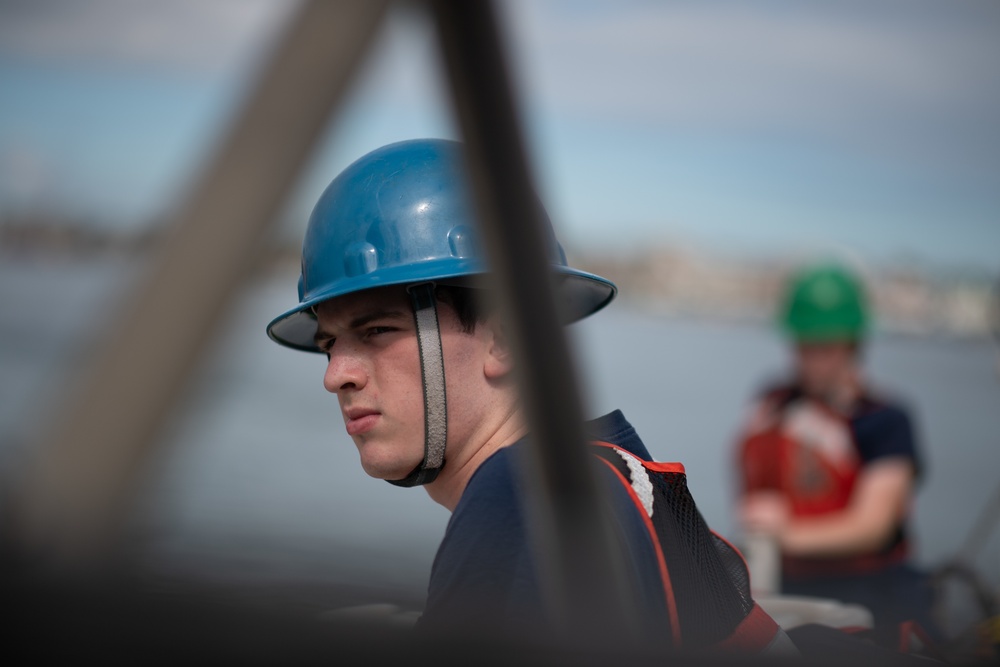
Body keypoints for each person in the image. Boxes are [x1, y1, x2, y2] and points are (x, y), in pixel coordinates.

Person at [265, 138, 791, 654]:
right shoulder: (614, 472)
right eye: (330, 344)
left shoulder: (519, 500)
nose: (336, 375)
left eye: (377, 330)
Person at [734, 262, 939, 643]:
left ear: (853, 344)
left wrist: (784, 532)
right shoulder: (771, 403)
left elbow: (871, 527)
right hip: (779, 577)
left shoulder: (885, 421)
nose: (811, 357)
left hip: (869, 587)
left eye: (825, 346)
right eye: (804, 344)